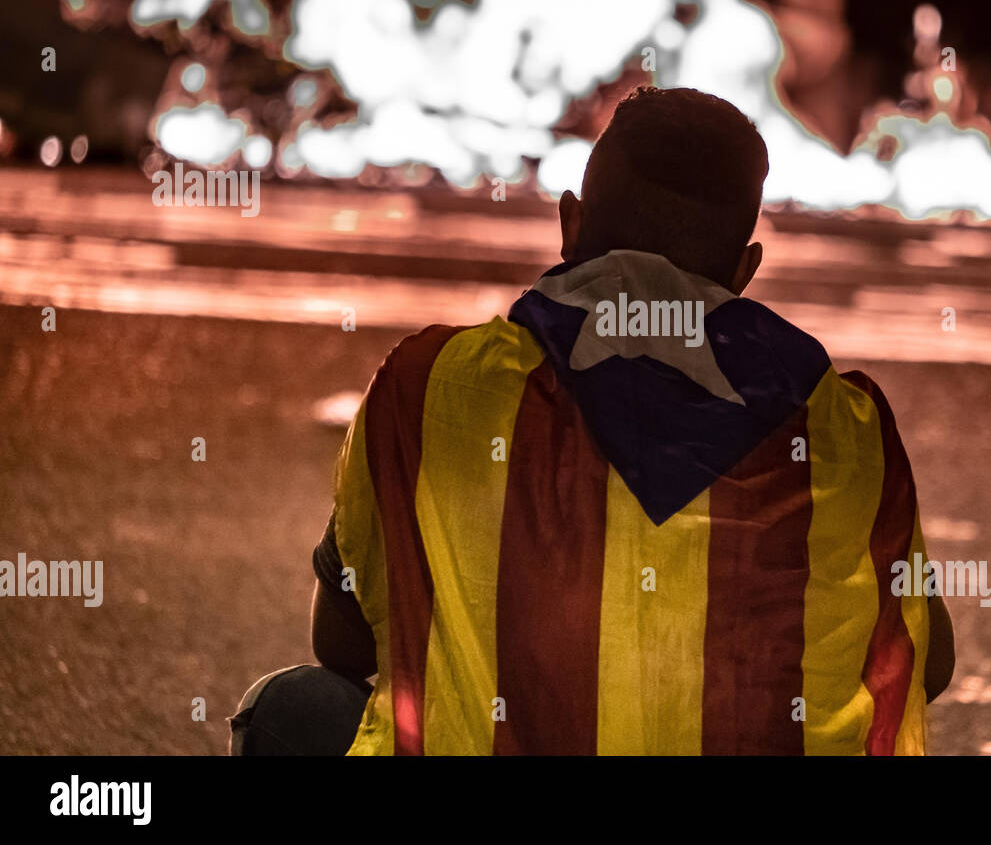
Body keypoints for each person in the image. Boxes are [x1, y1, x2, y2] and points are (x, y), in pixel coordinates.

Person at [230, 86, 954, 756]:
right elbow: (930, 661)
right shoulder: (846, 427)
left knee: (290, 711)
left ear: (570, 222)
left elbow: (343, 642)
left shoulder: (431, 386)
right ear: (744, 269)